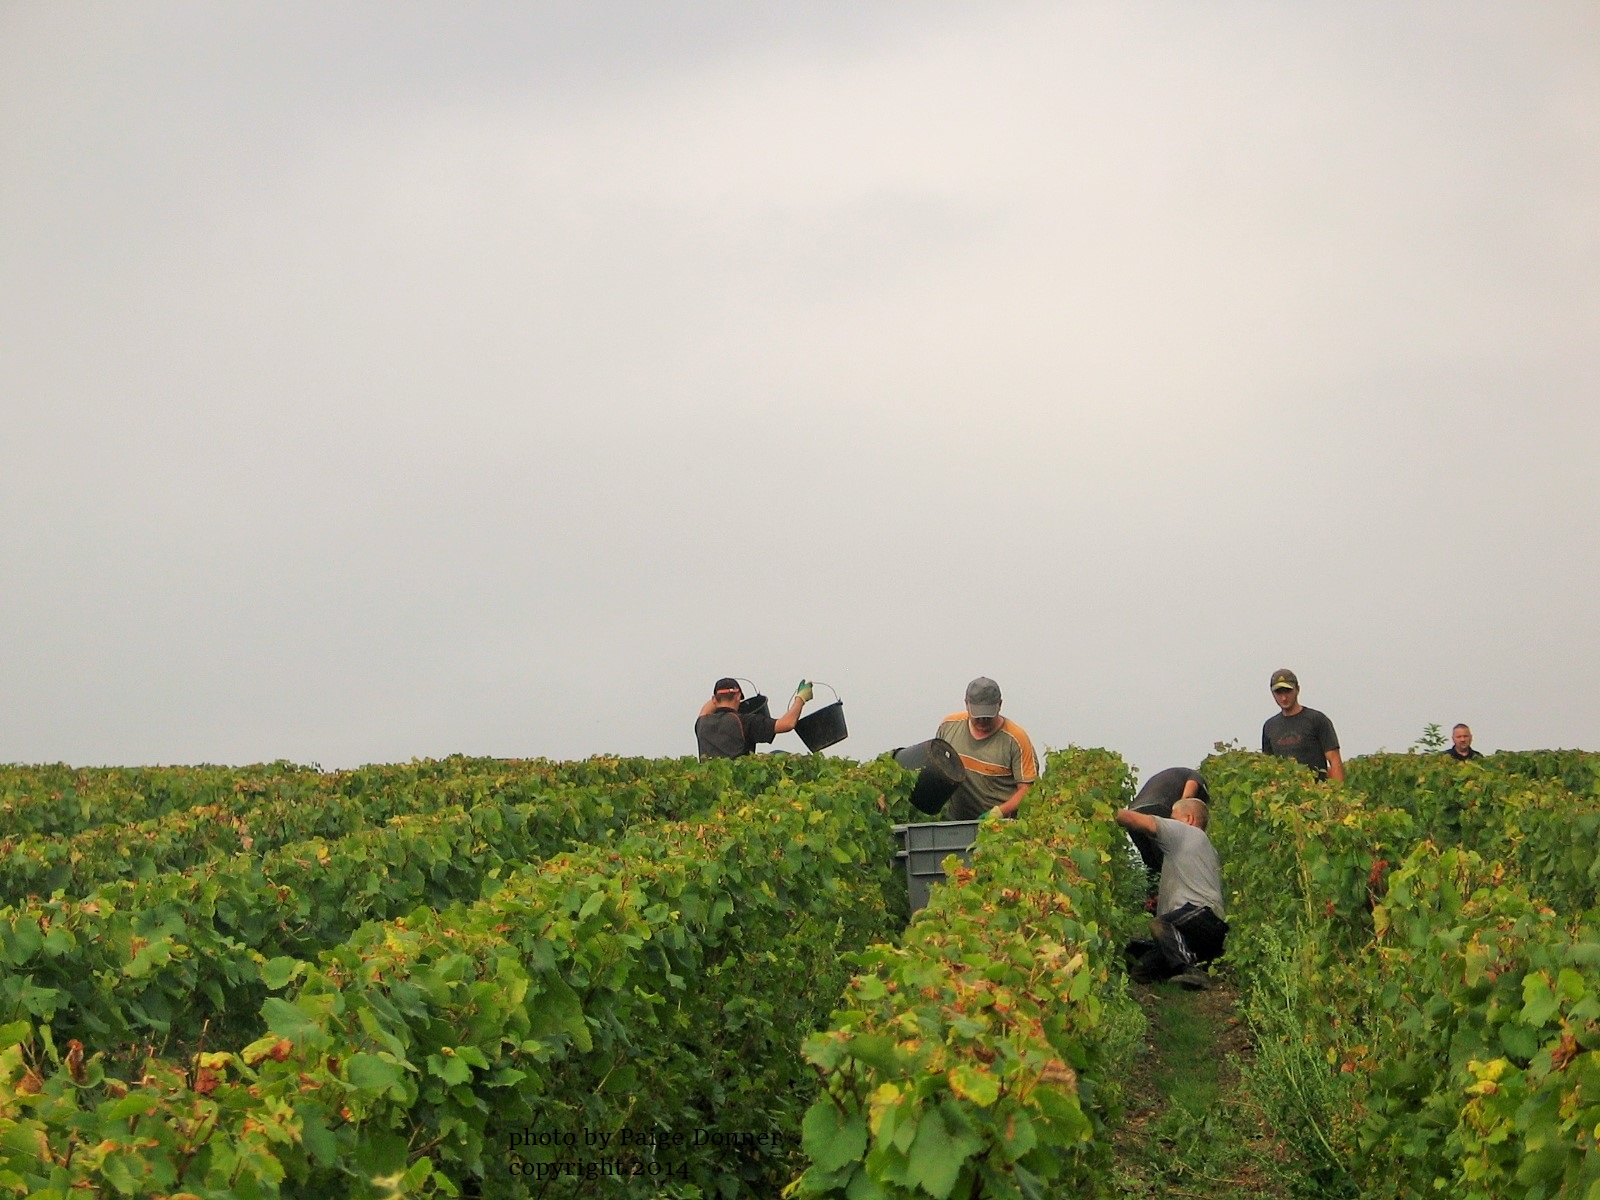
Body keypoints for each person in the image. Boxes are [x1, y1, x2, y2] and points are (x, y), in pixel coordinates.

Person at [1116, 797, 1228, 989]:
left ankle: (1190, 970)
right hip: (1204, 931)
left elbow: (1136, 820)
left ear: (1189, 819)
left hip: (1203, 918)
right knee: (1138, 968)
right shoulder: (1201, 846)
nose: (1169, 821)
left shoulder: (1186, 831)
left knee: (1161, 923)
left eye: (1172, 817)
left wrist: (1100, 811)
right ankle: (1186, 968)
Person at [936, 677, 1039, 820]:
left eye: (987, 716)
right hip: (956, 824)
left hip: (1000, 828)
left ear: (1000, 705)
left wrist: (999, 812)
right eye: (977, 716)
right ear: (967, 704)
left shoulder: (1016, 739)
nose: (982, 721)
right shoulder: (949, 727)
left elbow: (1028, 790)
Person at [1126, 767, 1210, 895]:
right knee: (1172, 858)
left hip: (1134, 812)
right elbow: (1186, 798)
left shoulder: (1171, 775)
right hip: (1159, 808)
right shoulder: (1195, 776)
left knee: (1152, 863)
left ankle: (1152, 900)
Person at [695, 678, 812, 760]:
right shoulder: (745, 721)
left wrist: (722, 693)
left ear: (714, 699)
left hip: (713, 783)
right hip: (740, 786)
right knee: (778, 755)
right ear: (738, 697)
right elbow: (787, 724)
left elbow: (706, 709)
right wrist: (800, 698)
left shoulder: (702, 723)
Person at [1262, 669, 1344, 782]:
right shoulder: (1269, 726)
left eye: (1288, 691)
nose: (1284, 697)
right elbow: (1269, 766)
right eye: (1279, 692)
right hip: (1284, 795)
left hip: (1318, 794)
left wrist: (1338, 793)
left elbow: (1334, 760)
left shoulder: (1317, 720)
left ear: (1298, 690)